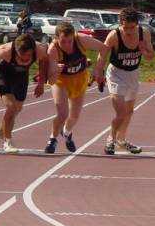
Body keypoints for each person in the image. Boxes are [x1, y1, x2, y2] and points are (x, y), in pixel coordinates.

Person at [44, 22, 108, 154]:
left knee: (74, 116)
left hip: (79, 78)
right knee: (62, 114)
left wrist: (98, 68)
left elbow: (104, 48)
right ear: (56, 38)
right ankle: (52, 139)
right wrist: (56, 71)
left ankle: (67, 133)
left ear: (73, 37)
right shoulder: (53, 50)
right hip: (61, 81)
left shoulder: (81, 40)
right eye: (63, 42)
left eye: (69, 41)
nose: (67, 45)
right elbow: (51, 80)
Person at [98, 7, 154, 155]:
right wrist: (98, 72)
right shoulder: (114, 35)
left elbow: (151, 56)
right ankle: (111, 139)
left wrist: (144, 51)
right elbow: (102, 55)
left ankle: (121, 140)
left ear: (137, 24)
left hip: (133, 74)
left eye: (132, 27)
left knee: (129, 112)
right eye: (125, 27)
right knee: (121, 112)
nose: (128, 30)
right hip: (116, 74)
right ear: (120, 23)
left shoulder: (144, 33)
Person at [0, 34, 54, 153]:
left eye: (28, 56)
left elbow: (44, 61)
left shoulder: (40, 50)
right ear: (16, 51)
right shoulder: (5, 51)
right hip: (4, 73)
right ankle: (8, 142)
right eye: (22, 56)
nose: (25, 59)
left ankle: (2, 132)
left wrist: (41, 83)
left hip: (21, 75)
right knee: (11, 107)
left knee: (17, 108)